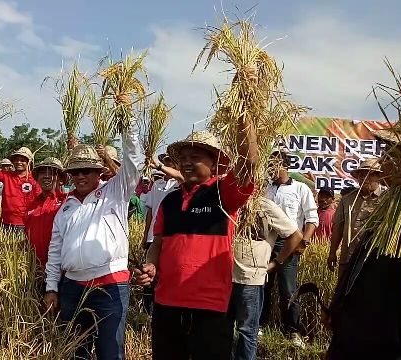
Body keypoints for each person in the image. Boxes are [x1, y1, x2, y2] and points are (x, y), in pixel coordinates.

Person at [135, 121, 258, 359]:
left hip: (210, 305)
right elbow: (158, 243)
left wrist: (244, 119)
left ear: (214, 163)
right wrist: (150, 264)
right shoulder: (169, 201)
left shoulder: (223, 193)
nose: (187, 162)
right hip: (167, 302)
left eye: (196, 156)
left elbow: (249, 163)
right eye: (184, 158)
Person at [43, 118, 144, 360]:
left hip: (110, 286)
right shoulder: (65, 207)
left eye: (86, 170)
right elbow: (55, 250)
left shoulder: (114, 192)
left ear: (99, 172)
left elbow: (135, 163)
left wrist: (127, 120)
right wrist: (51, 288)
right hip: (72, 288)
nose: (80, 176)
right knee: (77, 352)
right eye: (75, 171)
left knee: (109, 352)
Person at [325, 127, 401, 359]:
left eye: (391, 155)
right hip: (357, 328)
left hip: (387, 335)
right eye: (384, 155)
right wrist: (337, 306)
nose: (384, 164)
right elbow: (344, 238)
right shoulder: (362, 203)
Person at [229, 197, 303, 360]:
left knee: (246, 331)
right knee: (223, 329)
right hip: (223, 279)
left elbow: (295, 235)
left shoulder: (264, 205)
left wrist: (276, 262)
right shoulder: (226, 200)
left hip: (250, 280)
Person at [261, 150, 318, 347]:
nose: (271, 169)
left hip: (291, 244)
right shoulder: (265, 189)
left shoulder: (301, 188)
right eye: (269, 165)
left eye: (274, 165)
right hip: (266, 244)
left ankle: (293, 331)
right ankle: (260, 325)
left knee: (288, 289)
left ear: (285, 166)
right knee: (263, 285)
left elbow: (311, 219)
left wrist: (304, 241)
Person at [327, 158, 384, 280]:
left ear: (378, 177)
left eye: (369, 175)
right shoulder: (347, 199)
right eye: (361, 175)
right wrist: (332, 253)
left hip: (375, 260)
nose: (364, 178)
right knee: (344, 295)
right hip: (349, 258)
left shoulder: (387, 200)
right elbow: (338, 228)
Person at [0, 148, 41, 233]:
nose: (19, 162)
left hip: (25, 224)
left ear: (29, 162)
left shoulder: (35, 179)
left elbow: (39, 202)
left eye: (23, 160)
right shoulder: (6, 175)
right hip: (6, 223)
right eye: (16, 160)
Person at [24, 157, 67, 270]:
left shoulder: (67, 203)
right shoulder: (31, 206)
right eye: (42, 172)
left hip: (61, 269)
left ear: (61, 180)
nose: (46, 176)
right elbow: (28, 237)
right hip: (35, 269)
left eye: (52, 173)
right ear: (37, 178)